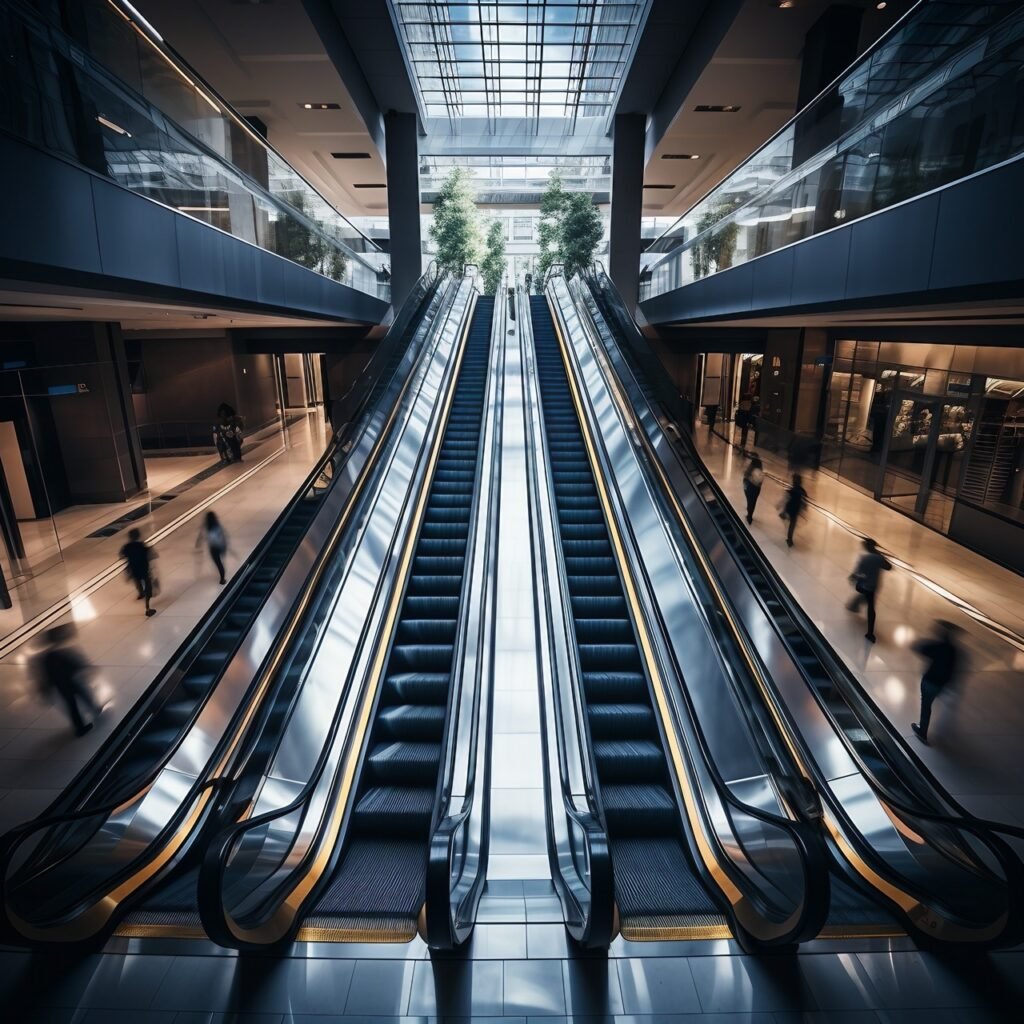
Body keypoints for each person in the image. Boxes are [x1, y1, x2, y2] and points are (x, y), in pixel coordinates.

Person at [32, 624, 102, 737]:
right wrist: (87, 667)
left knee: (72, 705)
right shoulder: (61, 653)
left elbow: (46, 676)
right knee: (83, 695)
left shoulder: (46, 658)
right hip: (71, 681)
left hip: (61, 686)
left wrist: (45, 689)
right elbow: (74, 664)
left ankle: (81, 727)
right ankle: (94, 709)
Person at [911, 621, 963, 744]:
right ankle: (924, 729)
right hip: (941, 684)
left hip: (929, 681)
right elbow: (953, 670)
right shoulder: (953, 651)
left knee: (926, 705)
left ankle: (922, 731)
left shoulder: (936, 647)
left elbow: (918, 647)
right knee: (930, 702)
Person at [846, 538, 892, 643]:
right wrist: (880, 554)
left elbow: (856, 573)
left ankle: (854, 604)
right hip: (873, 587)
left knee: (865, 597)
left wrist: (854, 578)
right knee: (871, 606)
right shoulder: (879, 558)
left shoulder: (864, 558)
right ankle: (870, 633)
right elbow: (888, 567)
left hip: (863, 585)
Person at [121, 527, 157, 617]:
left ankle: (140, 593)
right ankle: (147, 607)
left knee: (137, 581)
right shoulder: (142, 545)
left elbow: (122, 556)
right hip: (144, 569)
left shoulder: (127, 547)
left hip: (134, 569)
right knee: (148, 586)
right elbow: (152, 555)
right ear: (138, 536)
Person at [197, 510, 229, 585]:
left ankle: (222, 579)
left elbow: (201, 535)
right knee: (220, 564)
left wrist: (198, 543)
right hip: (220, 546)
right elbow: (222, 535)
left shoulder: (206, 524)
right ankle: (222, 579)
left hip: (213, 548)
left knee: (218, 563)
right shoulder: (216, 524)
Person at [780, 473, 807, 547]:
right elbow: (804, 501)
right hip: (796, 509)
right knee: (792, 524)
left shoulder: (791, 489)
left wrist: (782, 508)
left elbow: (786, 499)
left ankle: (789, 538)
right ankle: (789, 539)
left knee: (790, 523)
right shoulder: (802, 491)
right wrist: (804, 509)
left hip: (790, 508)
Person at [743, 454, 764, 525]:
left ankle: (749, 515)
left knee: (749, 501)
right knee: (753, 501)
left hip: (750, 486)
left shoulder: (751, 467)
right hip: (757, 488)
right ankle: (750, 515)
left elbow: (745, 476)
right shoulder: (760, 469)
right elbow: (761, 481)